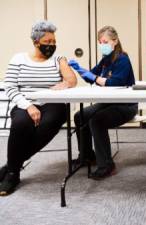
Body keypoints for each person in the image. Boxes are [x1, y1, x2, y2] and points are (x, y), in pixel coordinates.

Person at [0, 21, 77, 195]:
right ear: (36, 42)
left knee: (48, 124)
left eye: (54, 42)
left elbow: (72, 80)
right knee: (20, 124)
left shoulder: (58, 59)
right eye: (47, 42)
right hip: (25, 103)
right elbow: (10, 87)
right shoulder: (18, 59)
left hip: (53, 104)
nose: (52, 45)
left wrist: (65, 83)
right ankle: (13, 171)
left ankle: (12, 168)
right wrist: (28, 106)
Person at [68, 26, 138, 180]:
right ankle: (87, 156)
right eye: (100, 42)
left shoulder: (122, 59)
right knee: (80, 116)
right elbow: (91, 75)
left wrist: (93, 77)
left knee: (97, 121)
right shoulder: (106, 59)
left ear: (115, 40)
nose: (102, 45)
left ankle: (107, 165)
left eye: (105, 41)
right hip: (109, 102)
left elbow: (115, 83)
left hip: (126, 105)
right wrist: (80, 70)